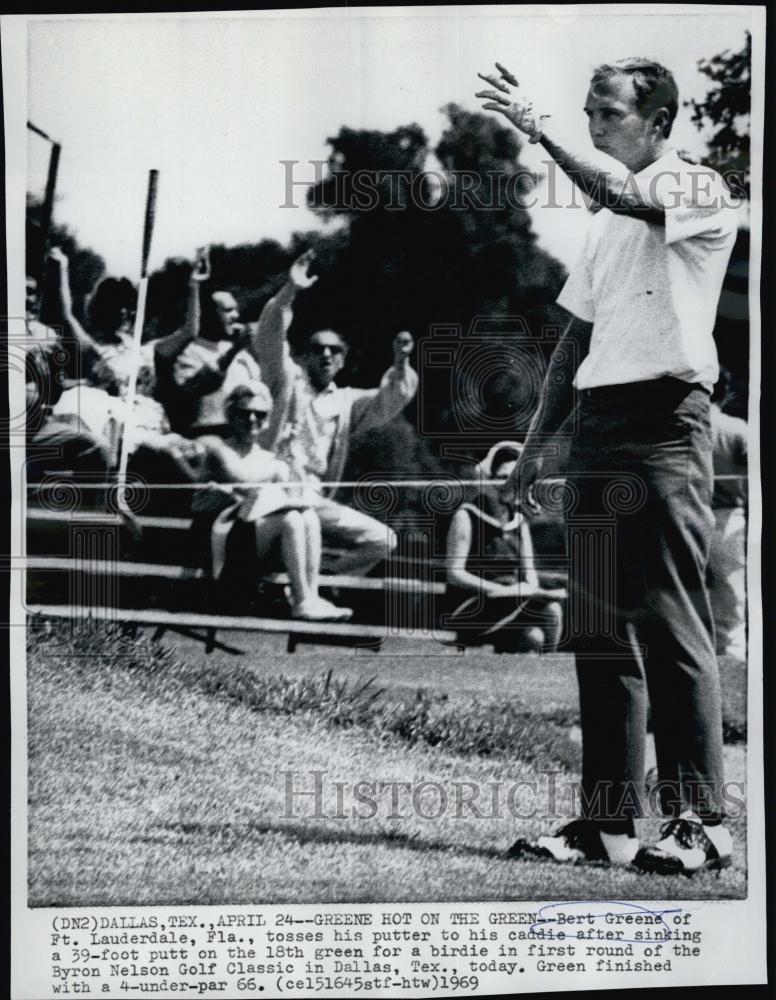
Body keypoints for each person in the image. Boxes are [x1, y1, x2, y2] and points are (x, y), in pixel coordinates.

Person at [478, 57, 739, 873]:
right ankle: (609, 825)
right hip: (599, 427)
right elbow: (575, 341)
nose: (594, 125)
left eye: (610, 114)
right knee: (597, 630)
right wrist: (532, 448)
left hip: (665, 424)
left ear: (660, 123)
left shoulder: (693, 187)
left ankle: (703, 823)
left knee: (670, 620)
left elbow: (621, 190)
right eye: (586, 112)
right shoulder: (604, 222)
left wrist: (536, 125)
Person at [250, 251, 418, 575]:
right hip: (273, 496)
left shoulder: (346, 402)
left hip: (314, 495)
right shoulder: (283, 381)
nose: (326, 354)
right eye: (317, 349)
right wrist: (290, 290)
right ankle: (304, 587)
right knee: (302, 519)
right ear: (303, 356)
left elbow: (390, 398)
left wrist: (400, 363)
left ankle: (323, 580)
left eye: (334, 350)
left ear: (342, 360)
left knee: (383, 540)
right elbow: (269, 339)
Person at [193, 382, 353, 622]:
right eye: (244, 413)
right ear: (230, 416)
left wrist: (291, 460)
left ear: (267, 420)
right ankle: (302, 601)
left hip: (251, 537)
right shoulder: (219, 450)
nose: (252, 420)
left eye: (260, 414)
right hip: (216, 538)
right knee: (290, 519)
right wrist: (278, 466)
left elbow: (298, 492)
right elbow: (245, 481)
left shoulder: (269, 458)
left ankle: (310, 596)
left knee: (307, 516)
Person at [445, 442, 563, 653]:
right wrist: (503, 590)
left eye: (514, 479)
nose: (507, 485)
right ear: (487, 478)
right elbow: (454, 573)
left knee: (535, 635)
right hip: (473, 605)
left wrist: (535, 591)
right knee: (539, 608)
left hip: (513, 603)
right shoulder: (466, 516)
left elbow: (530, 577)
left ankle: (546, 671)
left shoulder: (519, 522)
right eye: (501, 477)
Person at [170, 268, 262, 436]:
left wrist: (253, 347)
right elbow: (197, 387)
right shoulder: (187, 353)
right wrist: (234, 350)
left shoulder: (242, 354)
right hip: (206, 439)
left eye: (235, 309)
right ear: (206, 315)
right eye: (227, 310)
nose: (236, 315)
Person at [707, 370, 748, 663]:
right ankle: (730, 657)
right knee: (729, 595)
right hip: (726, 517)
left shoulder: (680, 426)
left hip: (681, 517)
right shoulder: (735, 429)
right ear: (726, 392)